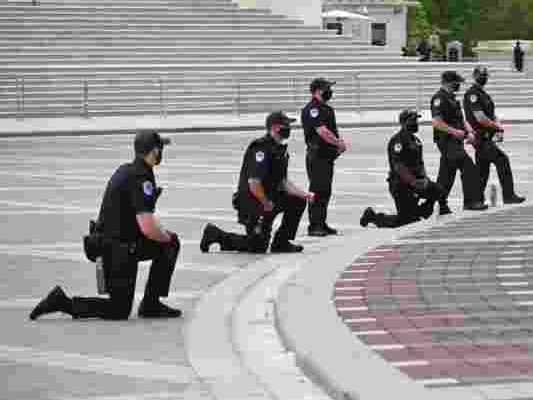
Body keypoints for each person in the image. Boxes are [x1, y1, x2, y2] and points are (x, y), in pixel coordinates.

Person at [30, 131, 181, 321]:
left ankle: (151, 305)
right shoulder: (141, 177)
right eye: (160, 149)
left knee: (169, 242)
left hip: (119, 243)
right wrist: (165, 236)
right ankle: (63, 302)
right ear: (154, 152)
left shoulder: (128, 169)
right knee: (119, 310)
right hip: (116, 249)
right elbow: (148, 228)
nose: (161, 153)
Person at [199, 112, 313, 254]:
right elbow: (254, 182)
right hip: (253, 202)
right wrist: (265, 203)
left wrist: (306, 195)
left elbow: (283, 182)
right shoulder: (261, 148)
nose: (289, 128)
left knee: (298, 200)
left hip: (269, 199)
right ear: (275, 127)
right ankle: (216, 235)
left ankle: (281, 242)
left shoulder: (279, 149)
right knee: (257, 246)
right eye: (286, 125)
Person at [361, 109, 444, 228]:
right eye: (413, 120)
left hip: (416, 181)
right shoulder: (398, 140)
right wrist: (414, 182)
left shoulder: (416, 141)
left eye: (416, 120)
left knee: (438, 190)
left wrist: (425, 179)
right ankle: (373, 217)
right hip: (401, 184)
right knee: (406, 221)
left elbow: (420, 164)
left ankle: (421, 211)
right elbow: (399, 166)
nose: (416, 123)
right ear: (405, 122)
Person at [464, 66, 525, 205]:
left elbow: (491, 114)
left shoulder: (483, 94)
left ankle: (476, 199)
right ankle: (508, 196)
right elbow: (480, 117)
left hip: (487, 136)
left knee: (482, 170)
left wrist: (498, 126)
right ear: (474, 76)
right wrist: (496, 126)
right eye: (481, 75)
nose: (483, 77)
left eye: (485, 75)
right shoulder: (472, 94)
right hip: (481, 137)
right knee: (502, 160)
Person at [431, 70, 487, 212]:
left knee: (446, 176)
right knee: (468, 167)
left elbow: (461, 120)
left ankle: (438, 205)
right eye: (456, 83)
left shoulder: (453, 99)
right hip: (446, 141)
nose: (459, 85)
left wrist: (469, 132)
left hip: (456, 141)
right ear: (448, 83)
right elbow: (437, 122)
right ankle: (470, 202)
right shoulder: (439, 99)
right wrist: (455, 132)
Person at [302, 77, 348, 236]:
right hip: (317, 157)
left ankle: (321, 223)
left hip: (326, 157)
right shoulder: (313, 109)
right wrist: (338, 143)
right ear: (317, 90)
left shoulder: (325, 108)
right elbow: (322, 131)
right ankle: (314, 226)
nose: (330, 91)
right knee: (317, 191)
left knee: (325, 191)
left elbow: (330, 130)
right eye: (327, 88)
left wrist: (336, 145)